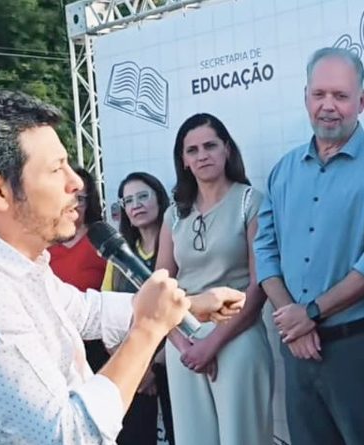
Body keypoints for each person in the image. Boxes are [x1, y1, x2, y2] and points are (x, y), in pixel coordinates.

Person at [0, 89, 244, 445]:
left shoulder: (20, 267)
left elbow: (90, 311)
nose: (75, 182)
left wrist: (189, 304)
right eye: (56, 168)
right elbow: (70, 435)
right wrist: (148, 330)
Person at [254, 47, 364, 445]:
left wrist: (311, 313)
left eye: (341, 96)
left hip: (360, 350)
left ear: (362, 100)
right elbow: (265, 251)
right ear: (305, 97)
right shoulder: (283, 170)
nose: (328, 106)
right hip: (297, 350)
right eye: (319, 94)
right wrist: (292, 321)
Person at [156, 113, 274, 445]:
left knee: (242, 438)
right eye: (192, 150)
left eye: (210, 146)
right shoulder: (173, 215)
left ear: (226, 149)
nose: (202, 155)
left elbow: (259, 285)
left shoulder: (250, 201)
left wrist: (211, 344)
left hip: (236, 337)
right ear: (183, 160)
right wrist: (184, 346)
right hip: (184, 345)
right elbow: (159, 290)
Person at [101, 171, 175, 445]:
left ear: (160, 199)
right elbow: (105, 314)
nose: (136, 205)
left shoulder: (177, 249)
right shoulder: (119, 256)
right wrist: (135, 365)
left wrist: (154, 367)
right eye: (128, 200)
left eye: (143, 196)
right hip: (132, 369)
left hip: (173, 363)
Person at [48, 166, 109, 372]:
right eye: (68, 197)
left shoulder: (101, 237)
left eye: (80, 199)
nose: (73, 204)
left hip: (98, 336)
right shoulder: (44, 242)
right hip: (58, 338)